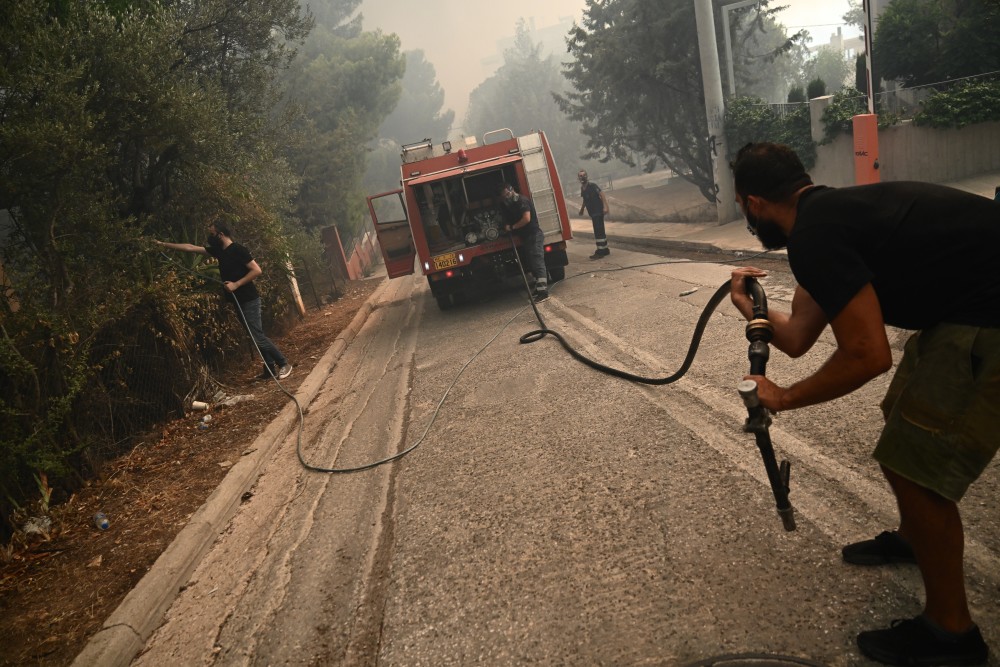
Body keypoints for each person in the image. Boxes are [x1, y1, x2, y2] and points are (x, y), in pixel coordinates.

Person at [728, 142, 1000, 666]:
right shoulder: (824, 221)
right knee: (902, 422)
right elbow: (799, 336)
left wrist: (782, 397)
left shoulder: (816, 237)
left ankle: (952, 634)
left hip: (988, 318)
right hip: (963, 311)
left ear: (754, 202)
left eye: (743, 209)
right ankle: (916, 537)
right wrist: (751, 307)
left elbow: (867, 354)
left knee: (918, 466)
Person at [157, 223, 293, 381]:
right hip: (238, 301)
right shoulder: (219, 252)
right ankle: (269, 369)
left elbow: (257, 270)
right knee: (255, 334)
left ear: (220, 234)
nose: (210, 237)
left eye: (212, 233)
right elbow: (190, 247)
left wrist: (236, 284)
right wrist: (164, 245)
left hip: (249, 299)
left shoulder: (238, 250)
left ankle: (283, 364)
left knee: (257, 336)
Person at [497, 182, 548, 302]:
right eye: (504, 196)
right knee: (531, 263)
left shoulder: (522, 201)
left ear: (512, 190)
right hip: (526, 237)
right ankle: (539, 288)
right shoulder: (512, 205)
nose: (507, 197)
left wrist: (513, 227)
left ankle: (543, 293)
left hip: (534, 235)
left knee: (537, 262)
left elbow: (526, 219)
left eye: (507, 194)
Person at [578, 170, 610, 259]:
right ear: (578, 178)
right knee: (600, 231)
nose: (582, 177)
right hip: (592, 212)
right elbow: (585, 199)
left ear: (587, 176)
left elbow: (602, 194)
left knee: (598, 232)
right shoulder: (582, 188)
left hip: (598, 211)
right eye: (580, 176)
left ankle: (600, 252)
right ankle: (605, 250)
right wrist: (581, 209)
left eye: (584, 175)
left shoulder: (592, 186)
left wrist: (605, 207)